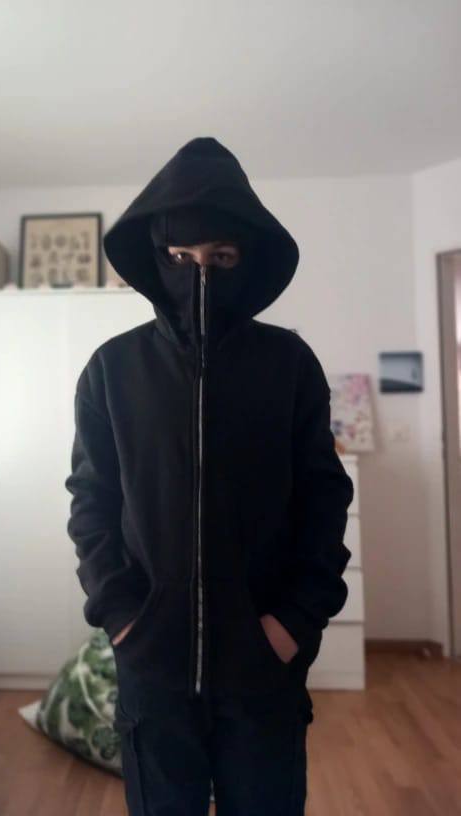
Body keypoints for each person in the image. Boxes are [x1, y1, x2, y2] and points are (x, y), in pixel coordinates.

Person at [65, 136, 355, 815]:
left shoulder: (289, 366)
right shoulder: (111, 371)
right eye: (182, 258)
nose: (201, 275)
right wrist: (122, 617)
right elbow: (91, 503)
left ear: (244, 260)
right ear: (157, 256)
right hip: (153, 668)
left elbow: (324, 501)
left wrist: (292, 623)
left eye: (221, 259)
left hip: (264, 668)